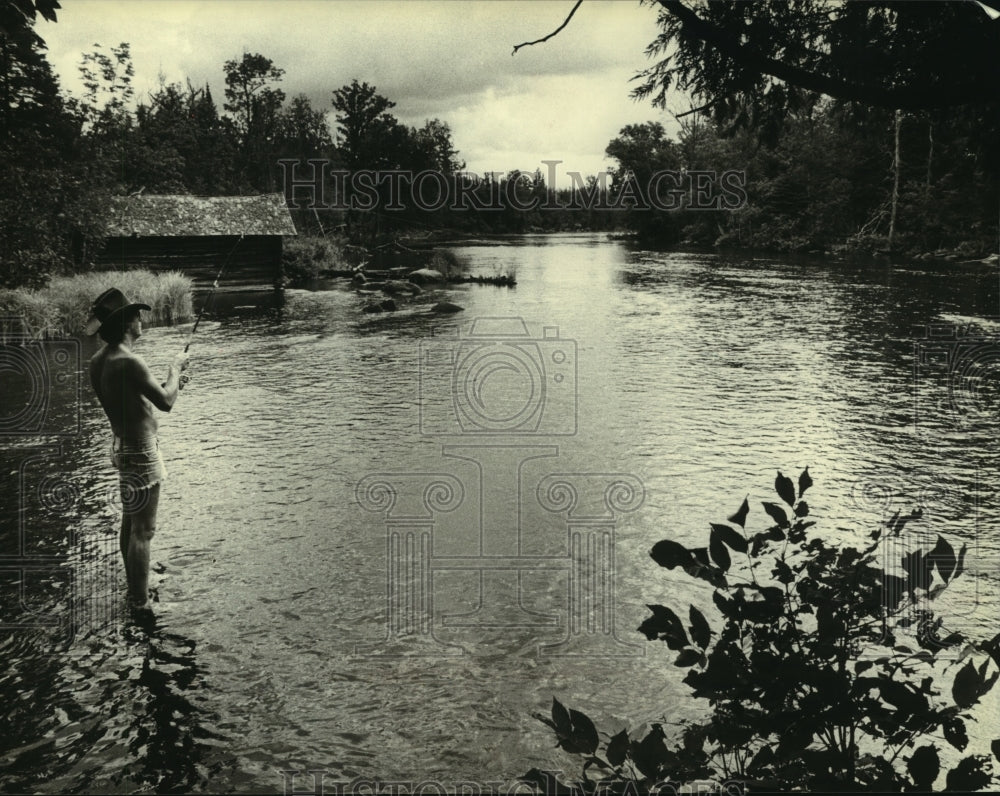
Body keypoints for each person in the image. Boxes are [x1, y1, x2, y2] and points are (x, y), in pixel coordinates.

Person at [86, 288, 190, 613]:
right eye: (137, 314)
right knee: (144, 531)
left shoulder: (99, 361)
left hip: (121, 447)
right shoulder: (130, 360)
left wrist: (166, 386)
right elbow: (167, 402)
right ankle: (139, 602)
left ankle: (135, 586)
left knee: (130, 523)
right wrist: (175, 370)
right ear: (127, 323)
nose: (141, 319)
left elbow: (132, 400)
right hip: (141, 452)